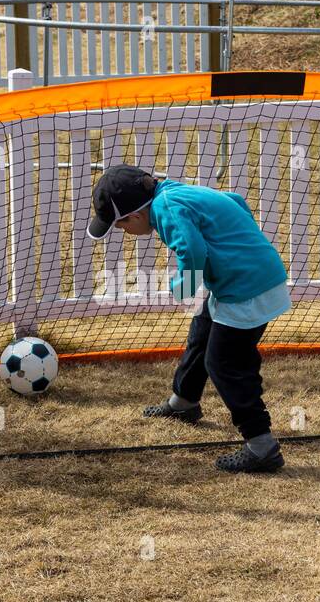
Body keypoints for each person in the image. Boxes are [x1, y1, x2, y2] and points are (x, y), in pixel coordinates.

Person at [86, 164, 290, 473]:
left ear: (136, 215)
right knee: (202, 332)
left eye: (119, 225)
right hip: (250, 279)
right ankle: (184, 403)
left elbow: (192, 249)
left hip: (246, 290)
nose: (122, 232)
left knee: (225, 364)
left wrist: (183, 286)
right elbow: (235, 200)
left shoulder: (164, 207)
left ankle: (261, 446)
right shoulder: (177, 191)